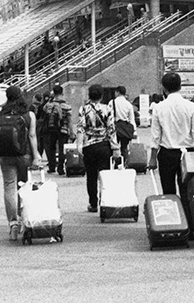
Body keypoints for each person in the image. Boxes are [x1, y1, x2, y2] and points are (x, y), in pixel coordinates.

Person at [0, 85, 41, 241]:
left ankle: (13, 224)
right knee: (23, 186)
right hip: (25, 155)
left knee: (9, 187)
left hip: (6, 156)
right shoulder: (29, 115)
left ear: (7, 97)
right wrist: (36, 156)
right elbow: (32, 136)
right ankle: (24, 220)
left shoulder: (2, 114)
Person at [148, 72, 194, 227]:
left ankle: (174, 224)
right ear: (180, 86)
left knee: (169, 192)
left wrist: (152, 158)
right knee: (187, 191)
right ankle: (192, 227)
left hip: (167, 154)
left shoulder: (159, 108)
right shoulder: (192, 106)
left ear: (164, 89)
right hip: (188, 155)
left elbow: (155, 137)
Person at [76, 84, 121, 213]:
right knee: (104, 175)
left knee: (91, 176)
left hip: (89, 146)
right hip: (104, 145)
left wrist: (79, 145)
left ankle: (93, 203)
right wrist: (115, 147)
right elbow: (111, 129)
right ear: (101, 96)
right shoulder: (108, 109)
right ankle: (105, 201)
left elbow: (80, 128)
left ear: (89, 95)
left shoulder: (83, 109)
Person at [42, 84, 73, 175]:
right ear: (62, 93)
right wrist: (71, 132)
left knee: (51, 147)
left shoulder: (49, 104)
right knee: (62, 148)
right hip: (63, 129)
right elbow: (70, 120)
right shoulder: (66, 106)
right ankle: (60, 168)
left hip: (51, 128)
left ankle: (52, 167)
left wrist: (51, 98)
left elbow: (44, 109)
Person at [111, 85, 137, 162]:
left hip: (114, 128)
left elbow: (109, 117)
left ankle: (114, 163)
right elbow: (132, 119)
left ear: (117, 92)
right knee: (124, 147)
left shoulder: (112, 102)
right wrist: (134, 131)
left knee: (114, 147)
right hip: (125, 128)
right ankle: (124, 163)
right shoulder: (128, 104)